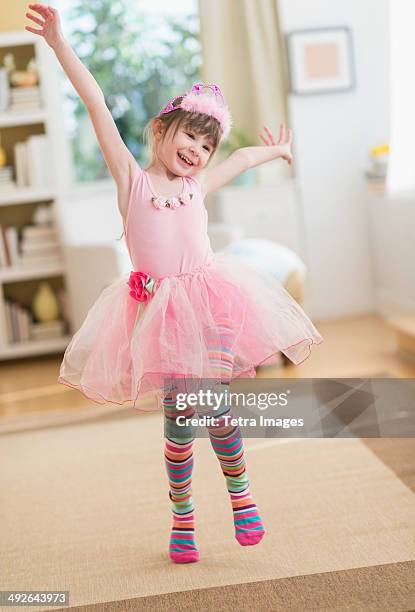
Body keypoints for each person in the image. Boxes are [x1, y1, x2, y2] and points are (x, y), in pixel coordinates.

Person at [25, 4, 324, 564]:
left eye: (206, 146)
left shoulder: (199, 185)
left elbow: (244, 158)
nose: (197, 151)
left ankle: (241, 495)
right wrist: (61, 45)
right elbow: (95, 105)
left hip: (212, 302)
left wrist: (279, 150)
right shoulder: (132, 182)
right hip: (157, 314)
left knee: (213, 406)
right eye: (190, 136)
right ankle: (183, 517)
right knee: (180, 422)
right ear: (162, 129)